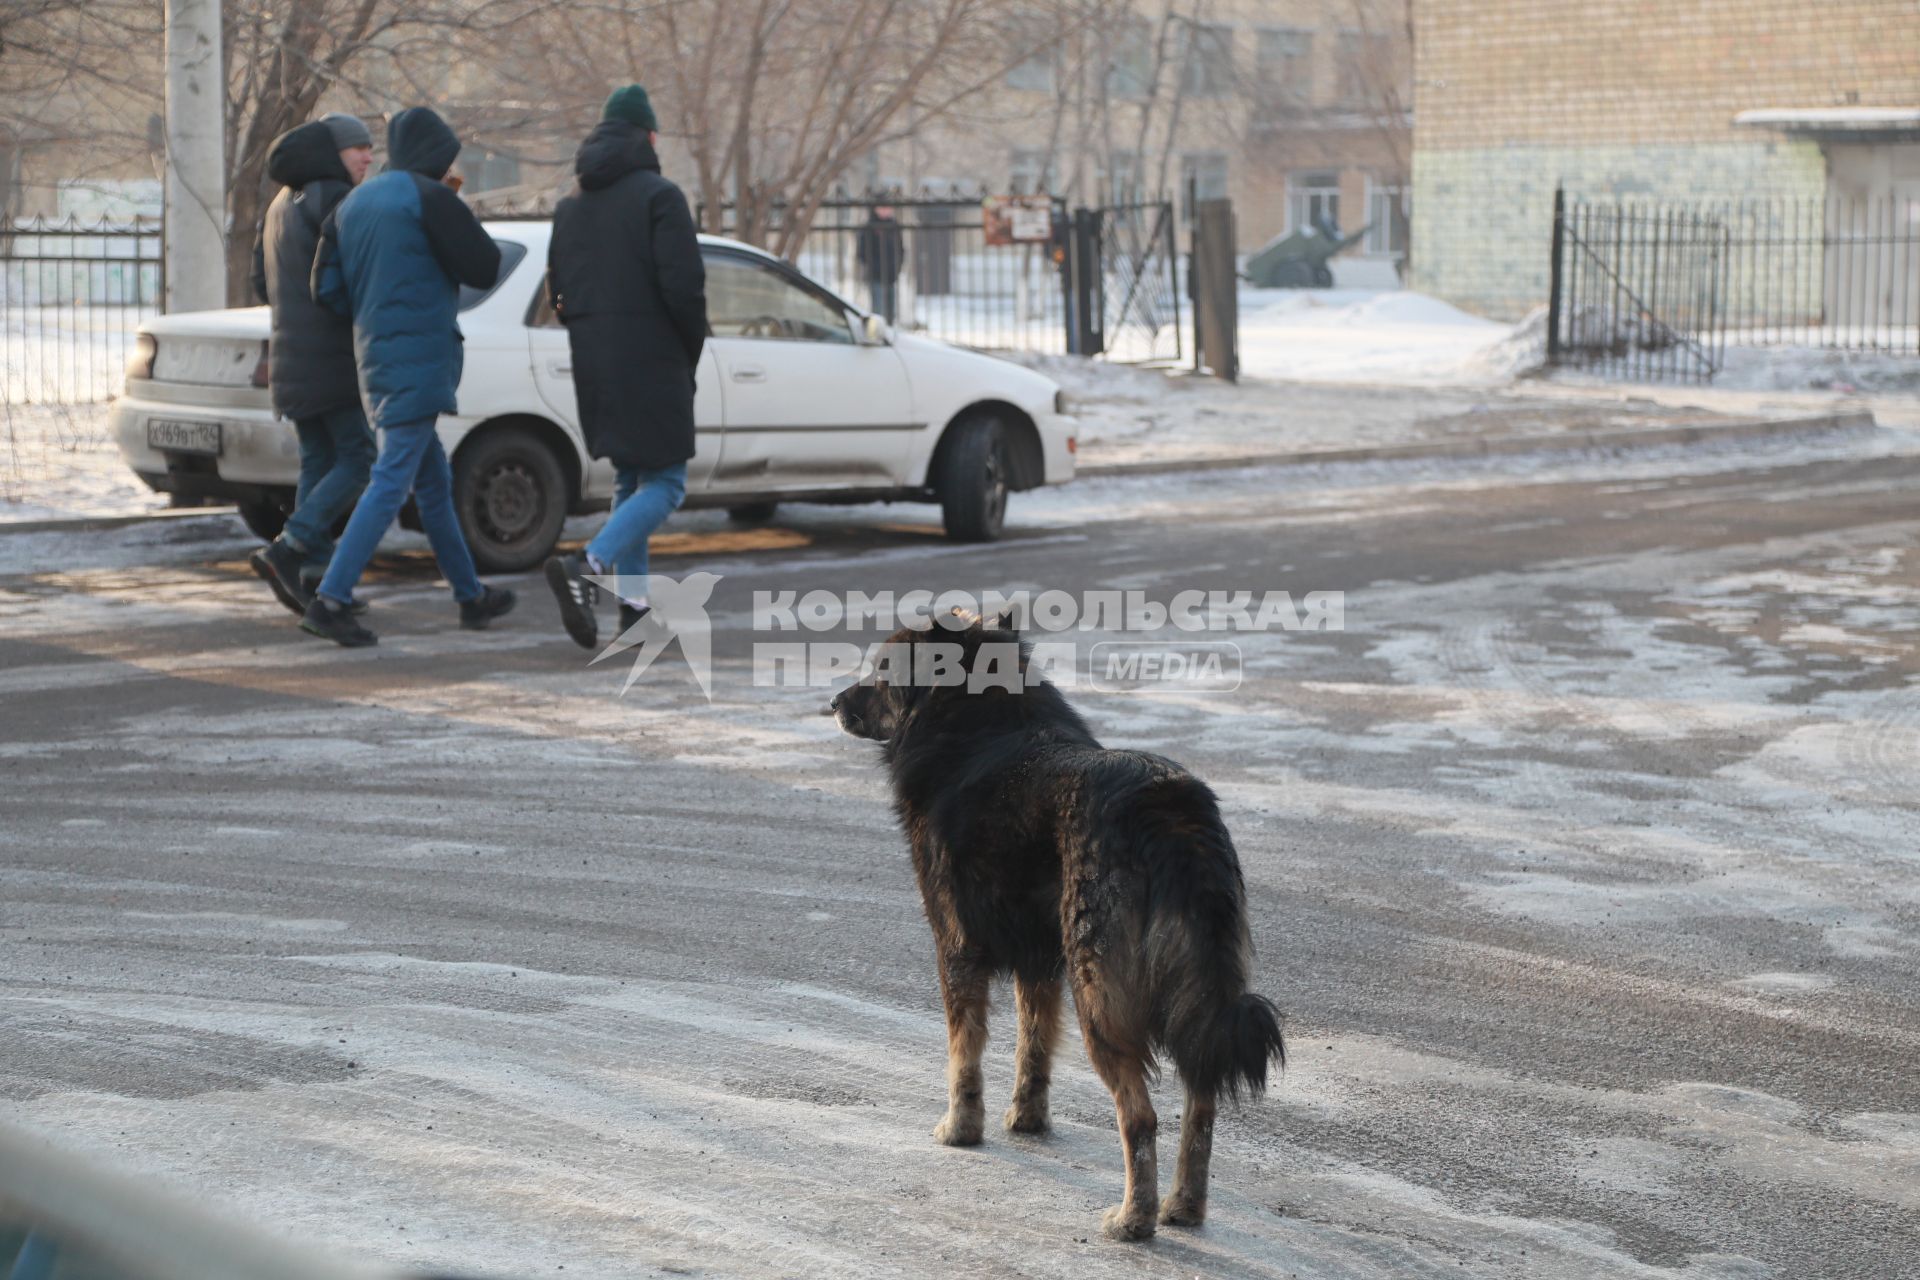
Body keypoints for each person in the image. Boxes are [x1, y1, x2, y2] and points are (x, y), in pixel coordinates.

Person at [302, 106, 515, 647]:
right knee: (391, 479)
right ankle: (329, 599)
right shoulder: (429, 196)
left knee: (433, 484)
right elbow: (485, 265)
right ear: (437, 155)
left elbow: (324, 291)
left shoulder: (354, 203)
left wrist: (377, 304)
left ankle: (470, 597)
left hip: (374, 353)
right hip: (420, 357)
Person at [542, 85, 707, 651]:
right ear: (650, 136)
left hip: (596, 359)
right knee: (667, 481)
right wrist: (688, 348)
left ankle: (634, 612)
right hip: (654, 355)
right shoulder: (660, 197)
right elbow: (685, 288)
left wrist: (594, 336)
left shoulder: (570, 205)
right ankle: (587, 561)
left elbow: (556, 289)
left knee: (633, 479)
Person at [247, 113, 376, 615]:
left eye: (369, 148)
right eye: (356, 149)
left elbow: (261, 282)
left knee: (320, 462)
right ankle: (290, 545)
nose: (367, 157)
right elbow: (354, 279)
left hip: (290, 357)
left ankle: (311, 578)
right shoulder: (334, 198)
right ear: (332, 154)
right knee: (360, 460)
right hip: (330, 357)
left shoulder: (281, 202)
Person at [856, 204, 904, 323]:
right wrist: (875, 266)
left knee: (890, 314)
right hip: (876, 276)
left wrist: (897, 267)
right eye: (883, 207)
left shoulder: (894, 225)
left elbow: (900, 249)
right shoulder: (869, 226)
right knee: (878, 312)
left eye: (888, 207)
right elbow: (862, 253)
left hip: (891, 276)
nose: (887, 210)